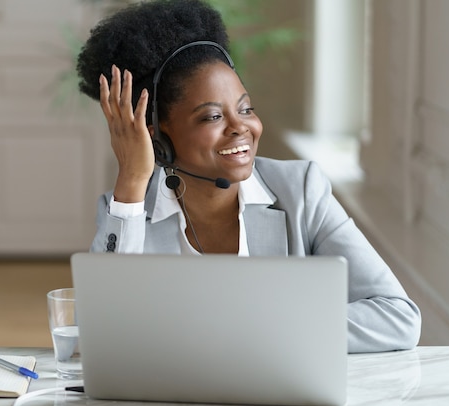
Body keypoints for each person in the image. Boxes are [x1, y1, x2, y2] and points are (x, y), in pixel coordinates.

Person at [76, 0, 421, 353]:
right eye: (212, 117)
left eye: (246, 109)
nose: (242, 127)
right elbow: (99, 334)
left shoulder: (301, 191)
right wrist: (132, 181)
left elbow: (397, 318)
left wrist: (258, 332)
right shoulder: (126, 210)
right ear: (157, 137)